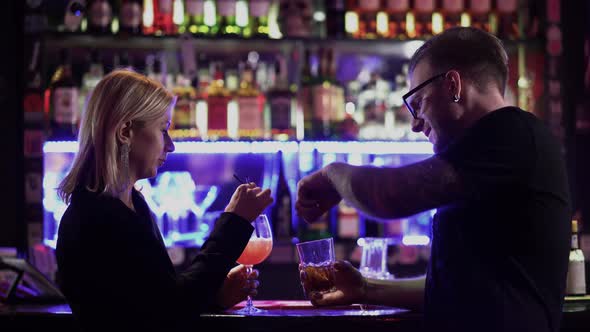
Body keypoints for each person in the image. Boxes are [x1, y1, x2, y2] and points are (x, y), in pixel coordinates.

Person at [296, 27, 571, 332]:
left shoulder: (510, 132)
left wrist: (331, 173)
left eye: (418, 101)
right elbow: (456, 288)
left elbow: (388, 196)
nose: (415, 124)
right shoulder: (491, 151)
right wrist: (365, 288)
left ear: (453, 85)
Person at [55, 70, 273, 332]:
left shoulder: (131, 205)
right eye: (163, 129)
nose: (170, 145)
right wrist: (234, 223)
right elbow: (169, 311)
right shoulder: (97, 218)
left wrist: (213, 295)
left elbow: (155, 301)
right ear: (125, 131)